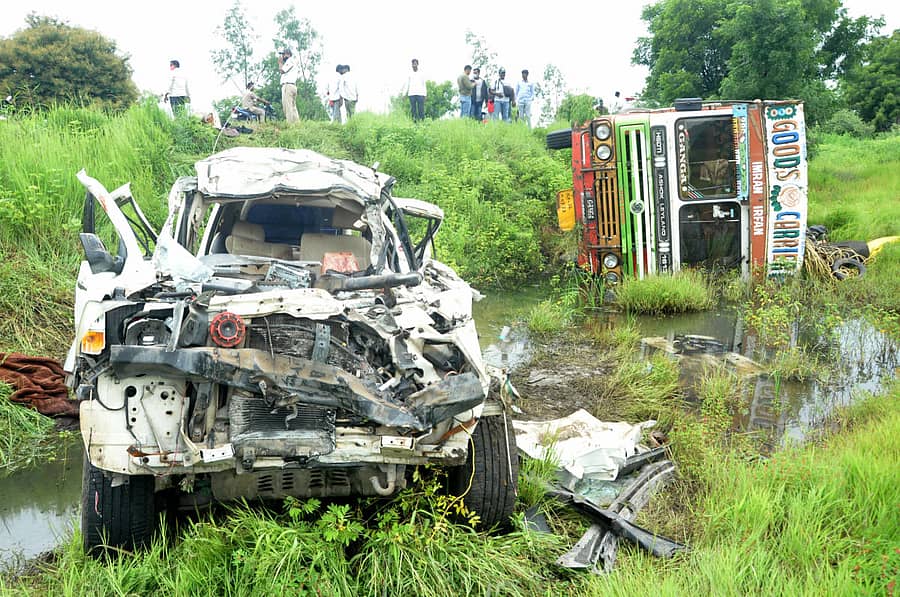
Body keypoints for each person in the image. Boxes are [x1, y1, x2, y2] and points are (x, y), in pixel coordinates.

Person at [279, 48, 300, 123]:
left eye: (283, 54)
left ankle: (290, 125)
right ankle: (297, 124)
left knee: (287, 107)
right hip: (293, 86)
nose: (282, 56)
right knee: (293, 107)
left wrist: (280, 63)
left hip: (288, 86)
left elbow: (282, 70)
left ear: (288, 54)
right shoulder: (294, 61)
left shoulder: (290, 60)